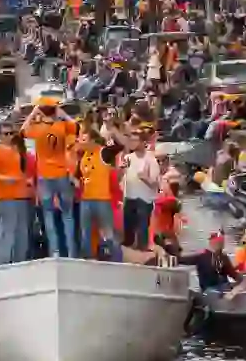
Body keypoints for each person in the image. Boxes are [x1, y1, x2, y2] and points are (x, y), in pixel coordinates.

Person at [23, 99, 77, 259]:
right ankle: (72, 251)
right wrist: (63, 114)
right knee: (68, 214)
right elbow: (76, 126)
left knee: (48, 214)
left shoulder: (37, 129)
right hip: (61, 173)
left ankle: (54, 251)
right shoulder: (62, 126)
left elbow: (23, 130)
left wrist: (33, 113)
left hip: (44, 175)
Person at [0, 121, 32, 263]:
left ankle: (20, 263)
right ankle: (3, 265)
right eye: (6, 134)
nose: (10, 136)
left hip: (22, 196)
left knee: (22, 234)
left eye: (12, 133)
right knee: (8, 233)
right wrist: (6, 178)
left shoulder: (17, 149)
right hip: (7, 197)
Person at [77, 132, 120, 261]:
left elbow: (120, 146)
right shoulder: (83, 156)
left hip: (102, 199)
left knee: (107, 232)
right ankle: (88, 258)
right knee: (86, 233)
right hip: (86, 199)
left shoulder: (103, 153)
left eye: (84, 139)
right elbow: (79, 177)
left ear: (93, 141)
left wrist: (113, 130)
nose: (80, 141)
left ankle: (114, 258)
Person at [121, 133, 159, 250]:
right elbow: (122, 177)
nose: (132, 143)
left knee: (142, 229)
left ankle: (143, 253)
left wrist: (145, 178)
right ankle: (128, 254)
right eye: (131, 140)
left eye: (135, 140)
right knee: (128, 229)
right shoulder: (128, 158)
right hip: (129, 197)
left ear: (143, 143)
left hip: (144, 199)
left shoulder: (151, 159)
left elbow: (155, 184)